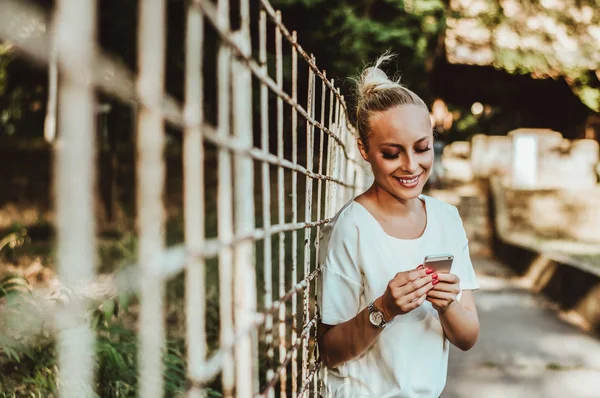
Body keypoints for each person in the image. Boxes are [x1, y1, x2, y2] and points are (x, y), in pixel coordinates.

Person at [316, 54, 480, 398]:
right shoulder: (352, 228)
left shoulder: (447, 219)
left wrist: (447, 305)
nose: (411, 166)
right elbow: (330, 350)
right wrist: (384, 308)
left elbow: (467, 337)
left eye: (422, 148)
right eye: (392, 153)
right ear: (364, 149)